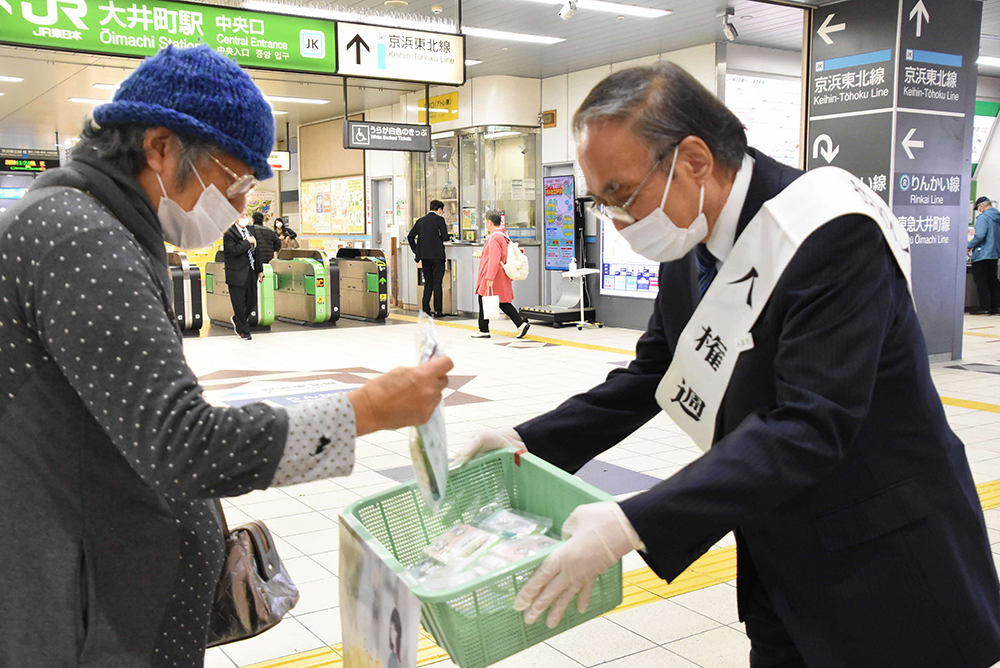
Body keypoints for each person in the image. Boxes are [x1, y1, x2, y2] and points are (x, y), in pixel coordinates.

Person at [458, 64, 1000, 667]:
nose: (615, 219)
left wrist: (629, 522)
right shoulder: (685, 235)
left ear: (692, 159)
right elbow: (655, 373)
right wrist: (526, 442)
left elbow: (810, 426)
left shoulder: (829, 233)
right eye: (600, 199)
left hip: (885, 570)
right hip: (779, 566)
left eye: (621, 193)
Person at [0, 44, 454, 668]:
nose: (240, 208)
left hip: (114, 604)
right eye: (233, 181)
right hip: (85, 625)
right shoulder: (82, 237)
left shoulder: (109, 226)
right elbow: (183, 443)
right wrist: (366, 409)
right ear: (159, 147)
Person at [472, 211, 530, 339]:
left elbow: (494, 259)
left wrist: (490, 277)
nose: (485, 224)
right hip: (501, 273)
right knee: (499, 300)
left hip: (494, 274)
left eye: (486, 222)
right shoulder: (503, 235)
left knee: (487, 298)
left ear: (489, 222)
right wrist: (482, 254)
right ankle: (518, 324)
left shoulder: (494, 238)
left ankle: (484, 329)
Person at [407, 200, 451, 317]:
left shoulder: (420, 221)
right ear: (439, 209)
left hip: (424, 257)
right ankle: (438, 311)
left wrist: (417, 251)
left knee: (428, 283)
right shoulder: (439, 220)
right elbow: (445, 237)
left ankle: (426, 309)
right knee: (437, 283)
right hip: (437, 257)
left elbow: (410, 236)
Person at [224, 215, 263, 340]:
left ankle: (237, 319)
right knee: (239, 303)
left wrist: (260, 270)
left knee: (252, 301)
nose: (245, 218)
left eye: (246, 215)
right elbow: (234, 250)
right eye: (242, 215)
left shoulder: (251, 231)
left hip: (251, 271)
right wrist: (247, 242)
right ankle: (243, 330)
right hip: (236, 273)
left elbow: (257, 252)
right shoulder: (229, 233)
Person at [969, 196, 1000, 315]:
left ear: (982, 206)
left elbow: (980, 235)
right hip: (994, 254)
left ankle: (984, 307)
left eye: (978, 208)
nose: (979, 210)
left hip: (982, 254)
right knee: (992, 280)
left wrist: (968, 245)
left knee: (981, 280)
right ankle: (995, 306)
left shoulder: (983, 217)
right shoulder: (997, 217)